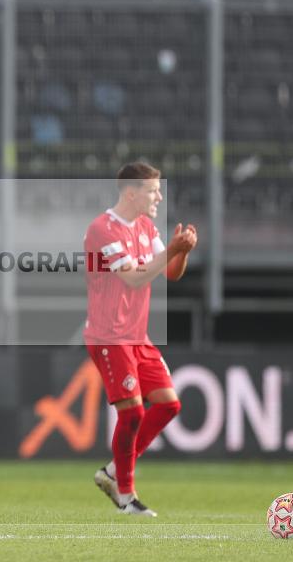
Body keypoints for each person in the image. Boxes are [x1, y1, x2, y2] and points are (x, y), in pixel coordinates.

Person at [83, 161, 197, 517]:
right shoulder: (102, 230)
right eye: (153, 190)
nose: (159, 196)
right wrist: (171, 249)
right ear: (131, 193)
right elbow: (133, 278)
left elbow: (170, 273)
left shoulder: (146, 227)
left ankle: (113, 473)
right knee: (131, 412)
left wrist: (183, 250)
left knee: (168, 404)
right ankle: (126, 498)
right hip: (109, 336)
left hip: (136, 336)